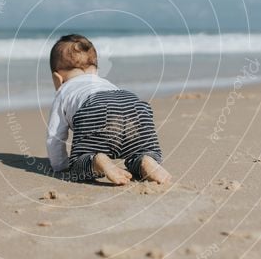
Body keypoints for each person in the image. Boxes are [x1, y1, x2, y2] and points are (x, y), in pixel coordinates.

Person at [46, 34, 171, 185]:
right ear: (96, 70)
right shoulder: (105, 83)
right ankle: (146, 160)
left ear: (57, 78)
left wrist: (59, 165)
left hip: (94, 107)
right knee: (141, 149)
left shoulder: (63, 91)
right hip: (132, 104)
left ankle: (96, 159)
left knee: (79, 166)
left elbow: (55, 136)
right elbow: (115, 104)